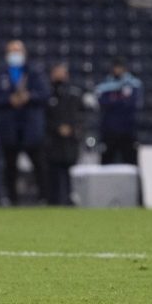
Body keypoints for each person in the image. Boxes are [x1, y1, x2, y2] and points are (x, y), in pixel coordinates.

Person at [0, 40, 50, 205]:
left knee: (39, 164)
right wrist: (9, 100)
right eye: (12, 51)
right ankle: (11, 199)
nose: (15, 54)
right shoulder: (1, 74)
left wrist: (29, 97)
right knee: (10, 165)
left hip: (30, 126)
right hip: (9, 127)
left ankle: (44, 198)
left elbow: (45, 94)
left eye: (18, 51)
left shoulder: (34, 72)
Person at [44, 64, 84, 206]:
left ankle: (69, 199)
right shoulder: (47, 94)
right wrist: (56, 128)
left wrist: (72, 128)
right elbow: (44, 117)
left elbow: (81, 115)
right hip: (52, 141)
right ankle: (52, 200)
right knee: (53, 172)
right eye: (57, 73)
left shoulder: (74, 95)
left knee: (69, 172)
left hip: (70, 141)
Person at [95, 58, 143, 164]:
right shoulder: (105, 85)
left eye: (120, 67)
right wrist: (121, 100)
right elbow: (102, 102)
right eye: (116, 67)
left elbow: (131, 104)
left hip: (128, 129)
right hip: (109, 129)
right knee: (106, 162)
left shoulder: (133, 84)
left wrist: (113, 100)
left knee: (130, 161)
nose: (117, 70)